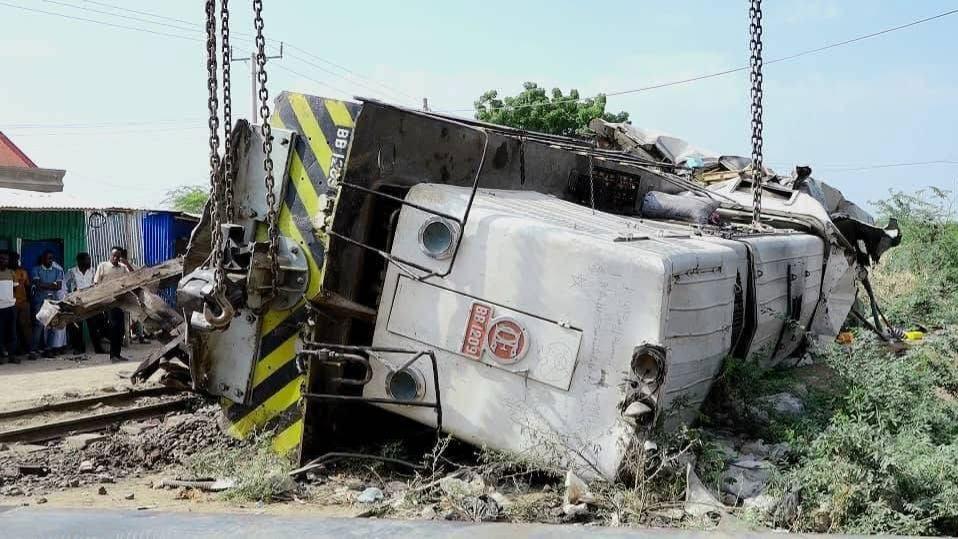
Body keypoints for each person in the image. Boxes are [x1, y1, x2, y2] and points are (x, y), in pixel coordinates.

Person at [94, 246, 133, 362]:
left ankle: (117, 354)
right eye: (114, 255)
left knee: (120, 329)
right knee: (113, 327)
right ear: (110, 255)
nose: (115, 258)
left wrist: (126, 262)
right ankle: (113, 356)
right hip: (108, 301)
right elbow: (96, 283)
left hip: (120, 301)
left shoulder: (122, 268)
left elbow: (134, 275)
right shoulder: (103, 266)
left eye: (118, 256)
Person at [66, 252, 104, 355]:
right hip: (77, 303)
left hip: (90, 302)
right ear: (80, 261)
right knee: (77, 327)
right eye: (88, 260)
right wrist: (70, 295)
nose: (90, 262)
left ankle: (98, 348)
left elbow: (95, 284)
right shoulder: (72, 272)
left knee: (93, 326)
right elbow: (65, 285)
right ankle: (79, 348)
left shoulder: (92, 271)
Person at [31, 250, 67, 358]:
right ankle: (33, 350)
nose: (50, 260)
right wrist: (51, 285)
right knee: (39, 325)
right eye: (48, 258)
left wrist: (44, 285)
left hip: (52, 301)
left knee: (51, 325)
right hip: (39, 301)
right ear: (43, 259)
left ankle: (48, 349)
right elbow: (37, 285)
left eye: (52, 258)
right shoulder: (36, 269)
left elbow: (58, 286)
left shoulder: (57, 271)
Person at [8, 252, 33, 359]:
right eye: (12, 259)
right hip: (9, 304)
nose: (15, 261)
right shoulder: (6, 272)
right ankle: (15, 349)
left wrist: (28, 302)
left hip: (23, 303)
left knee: (25, 327)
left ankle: (28, 348)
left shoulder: (23, 271)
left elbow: (28, 287)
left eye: (16, 259)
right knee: (13, 328)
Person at [0, 252, 19, 364]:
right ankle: (1, 357)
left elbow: (15, 289)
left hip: (11, 307)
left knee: (12, 333)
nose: (4, 261)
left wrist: (11, 300)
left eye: (6, 259)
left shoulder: (12, 273)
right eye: (1, 259)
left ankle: (12, 356)